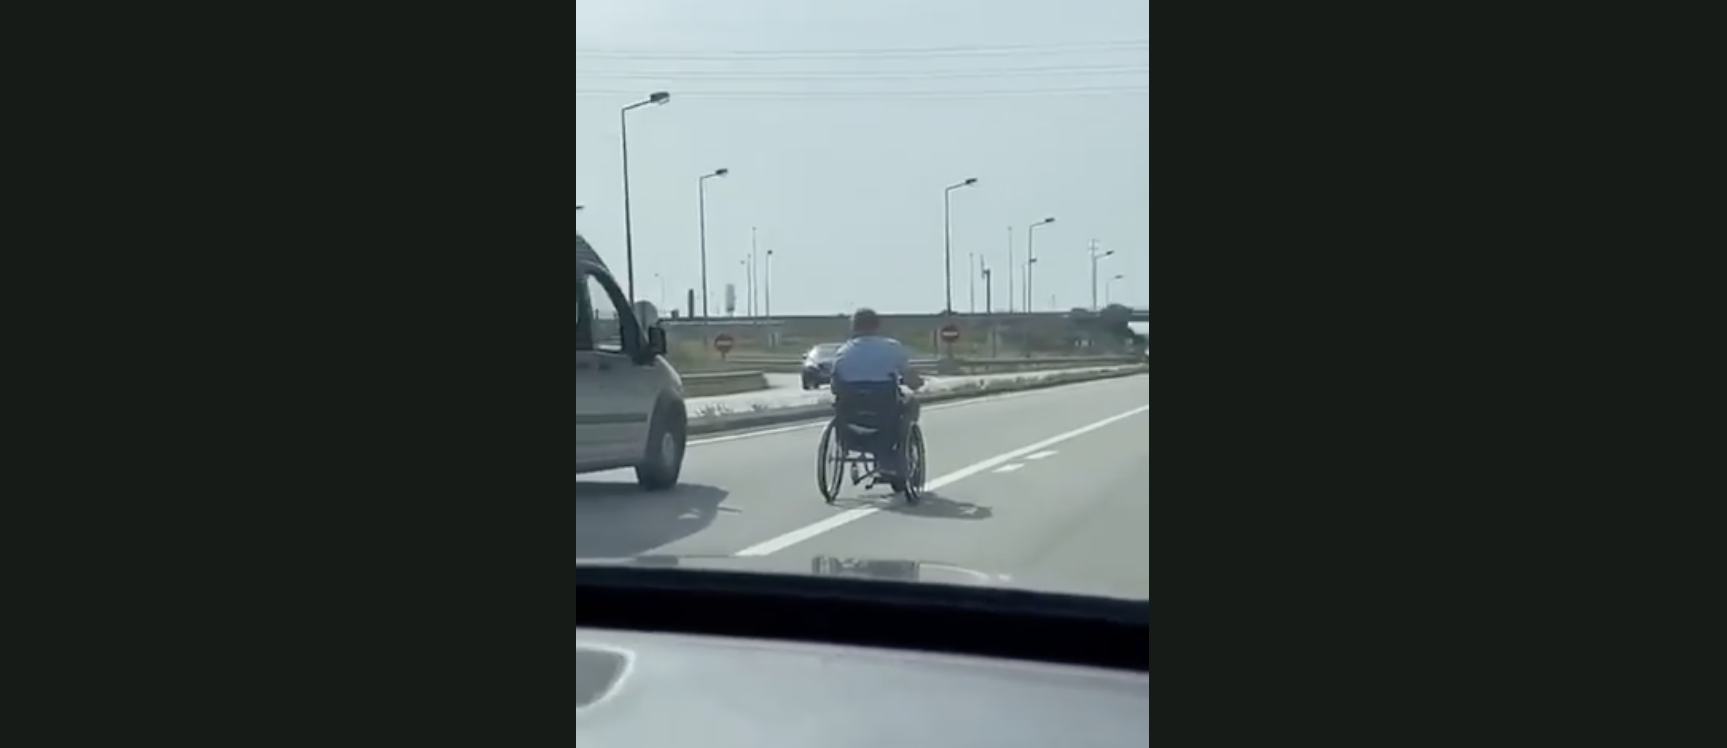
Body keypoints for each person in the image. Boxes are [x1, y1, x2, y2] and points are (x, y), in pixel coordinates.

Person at [829, 308, 924, 467]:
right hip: (884, 408)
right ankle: (902, 450)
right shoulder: (891, 347)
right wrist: (917, 383)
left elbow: (834, 385)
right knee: (911, 403)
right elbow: (910, 379)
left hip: (850, 411)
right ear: (877, 326)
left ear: (853, 327)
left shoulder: (842, 351)